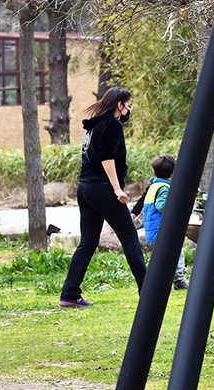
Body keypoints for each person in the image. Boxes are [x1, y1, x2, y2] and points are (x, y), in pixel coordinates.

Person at [59, 86, 147, 307]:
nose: (129, 110)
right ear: (119, 105)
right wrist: (117, 189)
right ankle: (147, 291)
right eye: (128, 106)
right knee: (129, 237)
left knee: (88, 242)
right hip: (103, 189)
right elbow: (107, 160)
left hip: (85, 188)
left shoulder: (95, 126)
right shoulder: (112, 126)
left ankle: (69, 294)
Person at [141, 154, 189, 290]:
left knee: (160, 258)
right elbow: (162, 206)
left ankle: (155, 281)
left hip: (154, 229)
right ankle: (178, 280)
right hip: (164, 229)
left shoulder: (154, 186)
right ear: (173, 172)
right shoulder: (164, 188)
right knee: (177, 253)